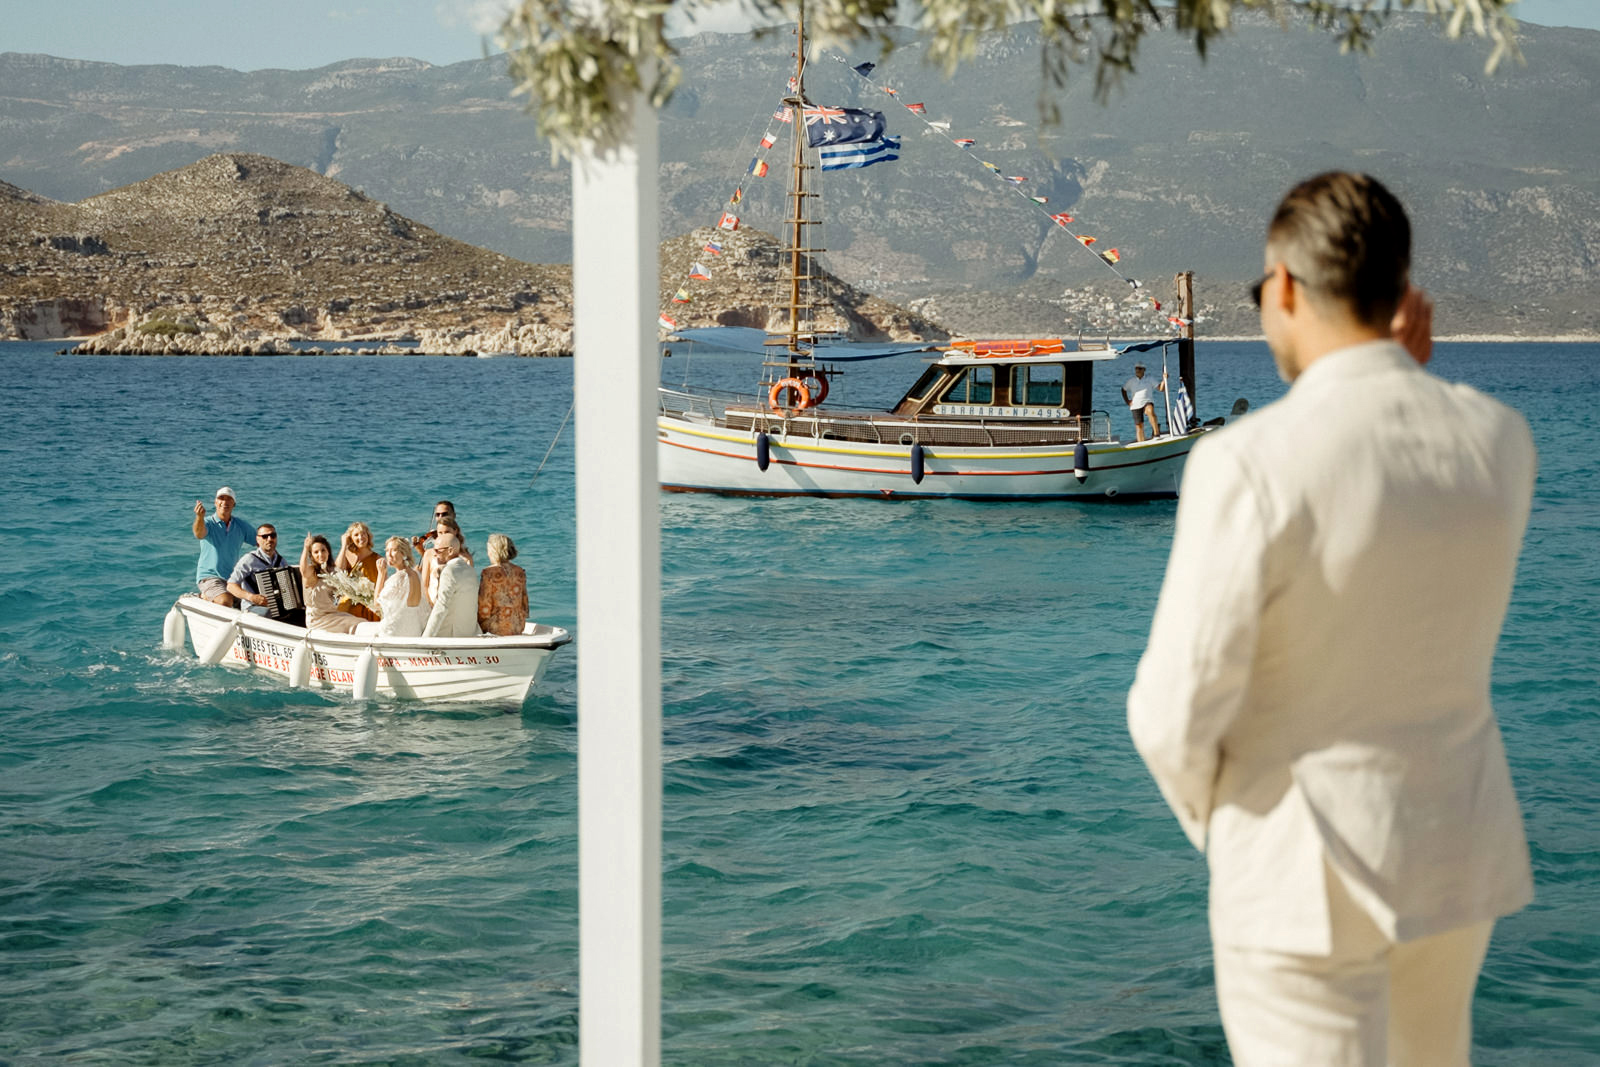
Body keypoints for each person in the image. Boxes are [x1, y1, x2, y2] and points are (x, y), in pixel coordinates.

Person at [1127, 172, 1535, 1066]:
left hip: (1300, 878)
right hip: (1451, 860)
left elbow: (1169, 713)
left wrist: (1235, 828)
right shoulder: (1501, 442)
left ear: (1283, 287)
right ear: (1402, 293)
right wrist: (1400, 377)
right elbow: (1395, 482)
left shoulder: (1248, 463)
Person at [354, 537, 430, 638]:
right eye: (387, 550)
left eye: (394, 550)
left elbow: (376, 604)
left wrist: (381, 574)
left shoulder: (399, 578)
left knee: (359, 628)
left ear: (403, 554)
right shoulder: (416, 574)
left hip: (395, 632)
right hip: (414, 630)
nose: (388, 554)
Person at [191, 487, 253, 605]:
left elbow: (259, 540)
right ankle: (204, 596)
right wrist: (200, 517)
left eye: (229, 499)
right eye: (221, 498)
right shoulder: (208, 522)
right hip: (210, 577)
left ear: (234, 504)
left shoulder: (240, 525)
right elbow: (199, 534)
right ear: (215, 502)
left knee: (255, 600)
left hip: (232, 578)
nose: (224, 502)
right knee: (225, 601)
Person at [422, 531, 479, 638]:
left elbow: (441, 606)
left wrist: (425, 638)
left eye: (437, 550)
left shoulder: (449, 571)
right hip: (469, 631)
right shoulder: (470, 570)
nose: (434, 554)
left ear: (450, 551)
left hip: (450, 635)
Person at [300, 533, 360, 634]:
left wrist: (344, 545)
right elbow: (303, 571)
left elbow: (339, 568)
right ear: (312, 556)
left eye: (323, 550)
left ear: (328, 552)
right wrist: (306, 548)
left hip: (333, 615)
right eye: (316, 552)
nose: (320, 554)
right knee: (357, 623)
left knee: (360, 621)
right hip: (317, 620)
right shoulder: (311, 572)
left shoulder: (330, 570)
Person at [227, 525, 288, 616]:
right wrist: (251, 597)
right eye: (264, 536)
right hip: (252, 606)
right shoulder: (249, 559)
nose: (269, 539)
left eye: (273, 535)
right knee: (267, 612)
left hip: (277, 607)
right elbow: (231, 586)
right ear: (257, 539)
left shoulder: (281, 561)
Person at [477, 533, 529, 636]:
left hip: (496, 627)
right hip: (517, 625)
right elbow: (525, 604)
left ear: (494, 551)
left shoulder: (489, 573)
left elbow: (484, 608)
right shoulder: (520, 571)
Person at [334, 521, 382, 622]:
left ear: (368, 536)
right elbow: (338, 570)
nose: (361, 537)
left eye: (363, 533)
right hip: (350, 601)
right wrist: (344, 546)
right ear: (351, 538)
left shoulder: (377, 558)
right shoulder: (347, 555)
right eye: (356, 535)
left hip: (370, 603)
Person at [421, 515, 472, 602]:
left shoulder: (465, 557)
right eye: (440, 532)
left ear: (455, 531)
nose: (443, 535)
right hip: (432, 603)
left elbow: (468, 586)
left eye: (447, 532)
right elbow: (424, 584)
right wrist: (430, 603)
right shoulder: (429, 553)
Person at [1120, 362, 1164, 442]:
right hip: (1135, 404)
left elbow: (1161, 389)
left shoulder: (1150, 379)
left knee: (1150, 411)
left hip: (1147, 401)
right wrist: (1127, 401)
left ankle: (1156, 434)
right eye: (1136, 368)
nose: (1138, 370)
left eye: (1140, 368)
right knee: (1139, 426)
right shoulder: (1131, 381)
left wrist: (1164, 379)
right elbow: (1123, 389)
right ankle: (1141, 442)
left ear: (1144, 370)